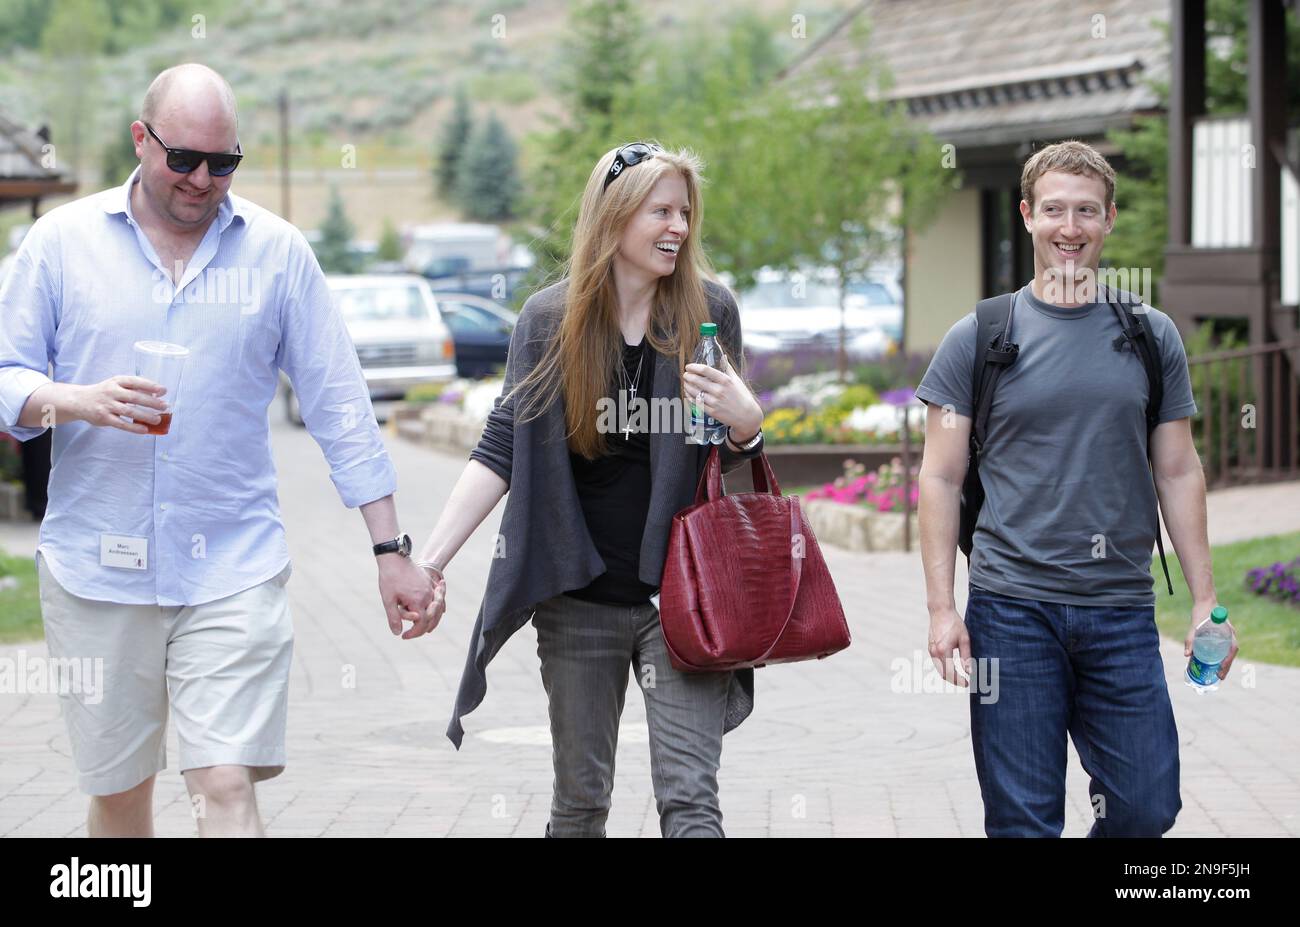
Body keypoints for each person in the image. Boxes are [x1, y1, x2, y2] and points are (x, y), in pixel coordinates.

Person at [0, 64, 439, 837]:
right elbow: (7, 374)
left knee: (223, 780)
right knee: (122, 794)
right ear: (140, 140)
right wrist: (74, 400)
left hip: (231, 569)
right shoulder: (60, 244)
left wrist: (390, 549)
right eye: (185, 160)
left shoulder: (278, 254)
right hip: (96, 574)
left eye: (225, 162)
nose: (205, 180)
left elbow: (339, 405)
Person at [411, 142, 766, 837]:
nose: (679, 228)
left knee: (692, 801)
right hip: (579, 598)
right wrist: (429, 561)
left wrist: (749, 427)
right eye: (660, 211)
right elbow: (500, 448)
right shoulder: (549, 321)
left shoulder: (707, 310)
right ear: (614, 217)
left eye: (685, 212)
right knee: (579, 802)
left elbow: (735, 468)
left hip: (681, 599)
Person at [915, 140, 1237, 837]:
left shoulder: (1150, 335)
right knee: (1023, 820)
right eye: (1054, 209)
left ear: (1109, 219)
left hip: (1119, 608)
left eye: (1086, 211)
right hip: (1011, 610)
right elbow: (940, 476)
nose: (1071, 227)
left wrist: (1206, 599)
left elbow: (1178, 470)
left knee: (1146, 805)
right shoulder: (980, 336)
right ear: (1028, 215)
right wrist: (943, 609)